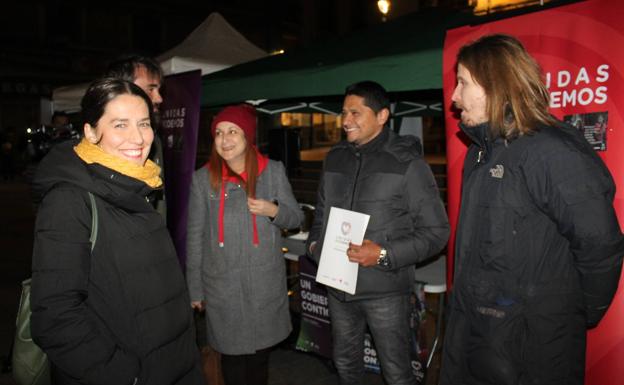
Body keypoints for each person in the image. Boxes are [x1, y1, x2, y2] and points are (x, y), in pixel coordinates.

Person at [441, 34, 624, 385]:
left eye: (463, 82)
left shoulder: (553, 152)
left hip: (531, 345)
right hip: (477, 332)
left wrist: (570, 313)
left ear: (495, 84)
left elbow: (600, 247)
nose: (454, 97)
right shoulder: (481, 152)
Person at [30, 78, 203, 385]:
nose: (138, 138)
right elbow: (55, 316)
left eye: (144, 123)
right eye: (120, 125)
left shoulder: (141, 185)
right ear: (90, 131)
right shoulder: (69, 200)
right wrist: (125, 376)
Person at [306, 81, 449, 385]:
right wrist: (316, 247)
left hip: (385, 292)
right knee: (345, 364)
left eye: (356, 113)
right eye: (344, 113)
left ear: (382, 116)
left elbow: (437, 232)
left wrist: (383, 254)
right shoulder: (335, 158)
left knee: (397, 374)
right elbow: (320, 215)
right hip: (338, 288)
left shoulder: (408, 164)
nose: (346, 121)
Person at [185, 104, 304, 385]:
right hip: (222, 288)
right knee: (232, 361)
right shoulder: (203, 180)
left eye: (232, 132)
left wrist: (273, 209)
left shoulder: (273, 171)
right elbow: (195, 236)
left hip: (264, 285)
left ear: (247, 136)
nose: (224, 139)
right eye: (218, 132)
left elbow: (296, 217)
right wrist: (195, 288)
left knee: (260, 360)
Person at [104, 54, 166, 218]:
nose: (159, 98)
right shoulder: (99, 141)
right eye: (151, 89)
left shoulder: (154, 139)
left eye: (158, 89)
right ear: (124, 87)